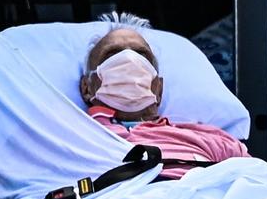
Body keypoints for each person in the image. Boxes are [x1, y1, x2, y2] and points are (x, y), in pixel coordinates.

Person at [79, 12, 248, 178]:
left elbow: (260, 181)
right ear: (87, 88)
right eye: (112, 54)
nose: (129, 60)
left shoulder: (209, 138)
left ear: (158, 90)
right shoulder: (73, 136)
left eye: (141, 55)